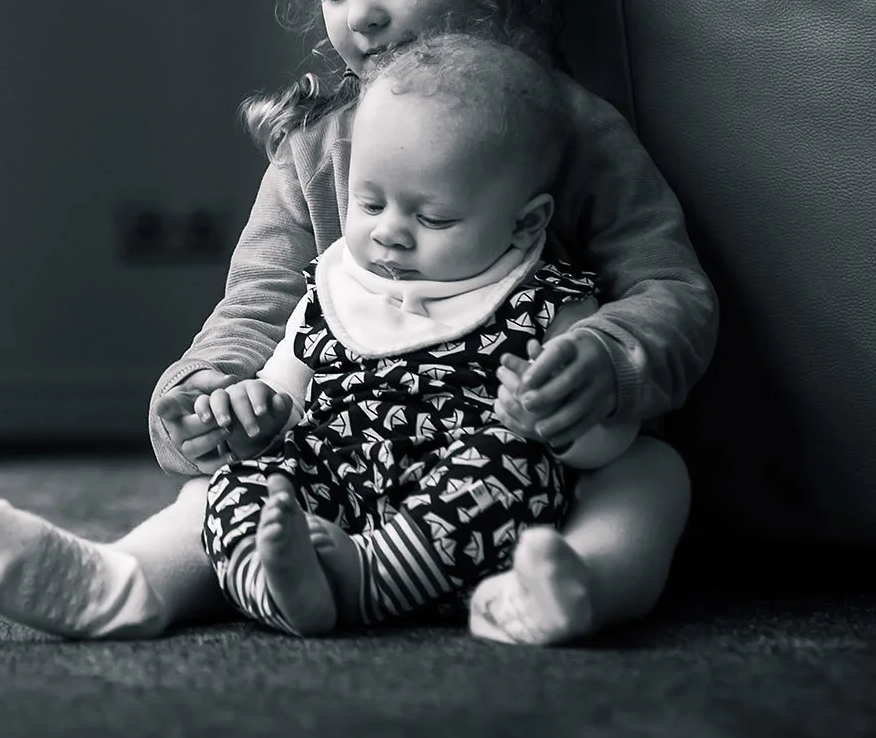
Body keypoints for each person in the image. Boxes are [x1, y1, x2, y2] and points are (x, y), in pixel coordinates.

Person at [0, 0, 717, 645]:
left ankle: (569, 584)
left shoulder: (576, 135)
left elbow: (672, 291)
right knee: (215, 494)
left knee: (654, 478)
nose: (361, 15)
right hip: (336, 476)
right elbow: (258, 303)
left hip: (521, 474)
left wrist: (609, 360)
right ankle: (125, 580)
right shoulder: (316, 151)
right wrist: (207, 397)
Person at [202, 31, 638, 637]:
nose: (390, 234)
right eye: (369, 203)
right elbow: (285, 391)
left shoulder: (548, 302)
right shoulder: (335, 288)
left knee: (512, 463)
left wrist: (554, 422)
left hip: (450, 518)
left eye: (432, 217)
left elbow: (607, 444)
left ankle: (367, 580)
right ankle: (275, 583)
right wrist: (256, 411)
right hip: (333, 490)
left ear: (527, 221)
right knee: (237, 483)